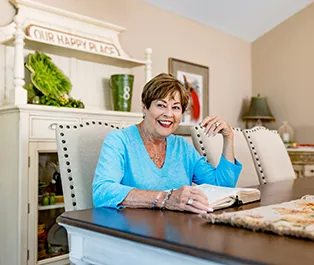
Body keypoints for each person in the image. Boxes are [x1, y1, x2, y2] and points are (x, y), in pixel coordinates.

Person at [93, 73, 242, 214]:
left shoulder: (182, 147)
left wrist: (228, 137)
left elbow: (222, 187)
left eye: (176, 107)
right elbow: (102, 191)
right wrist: (165, 198)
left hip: (177, 230)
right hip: (132, 231)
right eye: (161, 105)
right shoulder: (119, 140)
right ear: (145, 107)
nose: (169, 114)